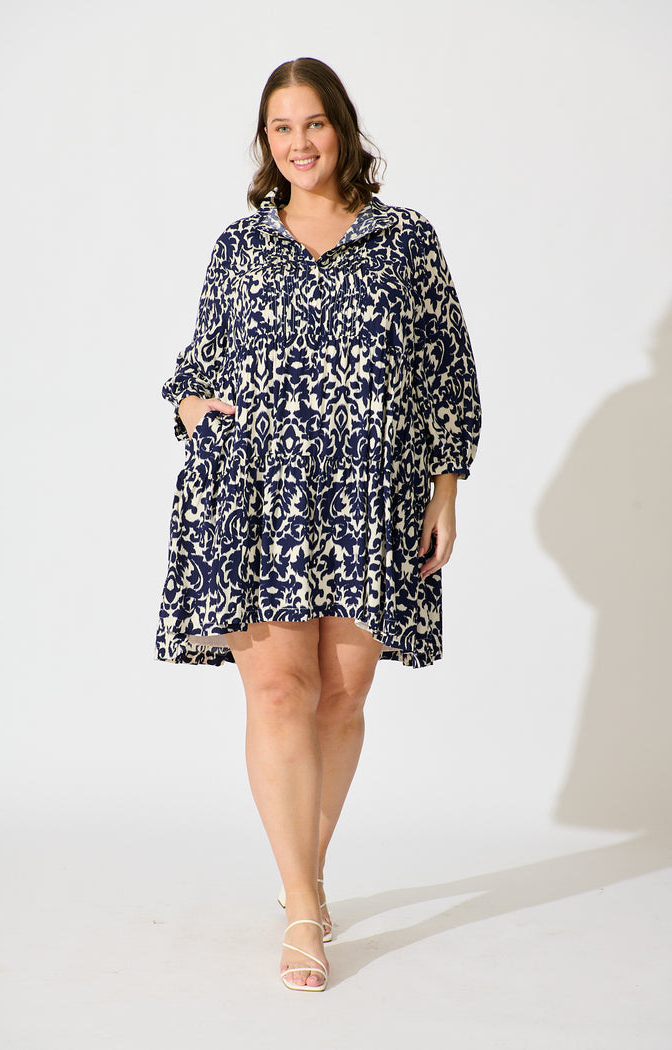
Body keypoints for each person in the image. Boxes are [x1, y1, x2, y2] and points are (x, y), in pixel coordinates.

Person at [155, 57, 481, 992]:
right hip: (257, 493)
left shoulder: (406, 240)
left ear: (342, 127)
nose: (299, 143)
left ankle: (310, 867)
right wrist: (190, 409)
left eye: (313, 123)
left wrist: (445, 491)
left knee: (341, 696)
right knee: (278, 692)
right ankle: (303, 904)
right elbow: (199, 363)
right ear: (266, 141)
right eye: (281, 127)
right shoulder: (240, 245)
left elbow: (448, 372)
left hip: (372, 493)